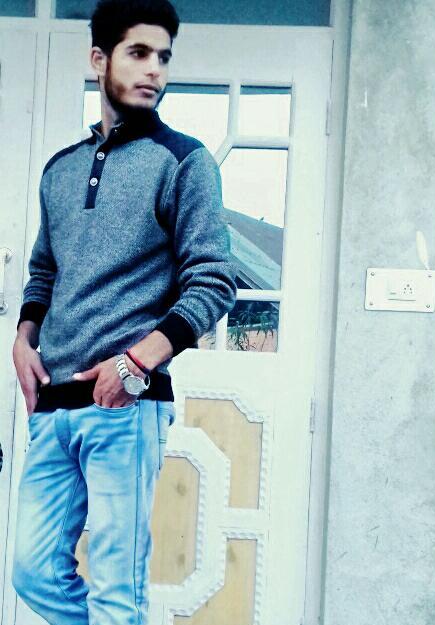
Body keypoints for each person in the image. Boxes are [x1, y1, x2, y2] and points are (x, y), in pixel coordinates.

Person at [10, 0, 237, 623]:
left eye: (164, 57)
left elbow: (214, 282)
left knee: (117, 592)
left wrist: (135, 363)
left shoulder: (184, 162)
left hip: (125, 407)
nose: (155, 69)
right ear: (99, 59)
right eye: (138, 53)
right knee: (31, 571)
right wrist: (24, 340)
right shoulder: (60, 170)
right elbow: (44, 271)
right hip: (52, 406)